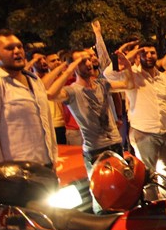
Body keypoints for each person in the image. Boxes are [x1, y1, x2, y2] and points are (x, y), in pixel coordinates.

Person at [47, 49, 135, 213]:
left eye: (88, 59)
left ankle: (121, 219)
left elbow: (129, 85)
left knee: (122, 187)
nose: (88, 63)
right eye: (82, 61)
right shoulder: (72, 91)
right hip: (95, 149)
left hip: (114, 143)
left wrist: (128, 66)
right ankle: (102, 222)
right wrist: (68, 69)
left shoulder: (102, 84)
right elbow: (50, 94)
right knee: (100, 195)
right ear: (74, 66)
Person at [104, 41, 166, 175]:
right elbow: (108, 74)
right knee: (148, 174)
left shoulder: (163, 78)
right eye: (144, 53)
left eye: (152, 53)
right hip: (145, 133)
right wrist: (126, 58)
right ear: (138, 56)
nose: (149, 56)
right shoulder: (132, 74)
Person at [0, 30, 57, 166]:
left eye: (19, 46)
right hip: (16, 173)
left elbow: (47, 123)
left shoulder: (35, 81)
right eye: (9, 48)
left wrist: (53, 158)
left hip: (46, 166)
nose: (17, 51)